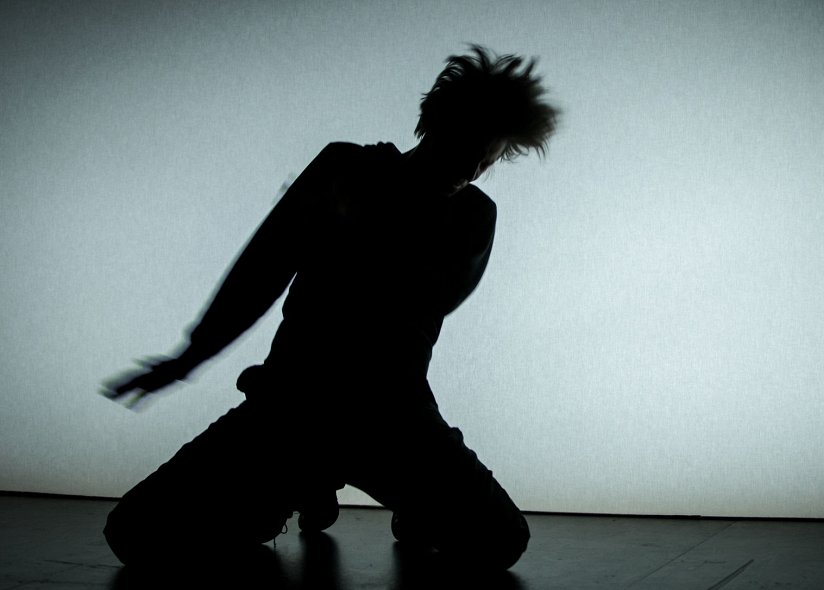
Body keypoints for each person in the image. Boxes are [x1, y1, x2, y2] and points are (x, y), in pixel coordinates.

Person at [100, 44, 559, 572]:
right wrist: (189, 356)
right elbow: (263, 267)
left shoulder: (474, 216)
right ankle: (298, 484)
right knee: (133, 534)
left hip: (396, 419)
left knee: (502, 542)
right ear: (436, 123)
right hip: (291, 406)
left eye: (486, 160)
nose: (471, 170)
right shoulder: (344, 165)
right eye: (466, 149)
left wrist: (355, 227)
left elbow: (424, 297)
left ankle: (376, 497)